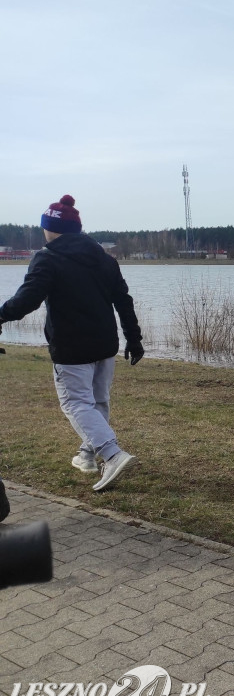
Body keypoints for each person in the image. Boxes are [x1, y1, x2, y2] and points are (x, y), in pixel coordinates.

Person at [0, 195, 144, 492]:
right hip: (105, 345)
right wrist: (133, 337)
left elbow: (25, 301)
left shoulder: (48, 257)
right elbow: (123, 301)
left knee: (76, 403)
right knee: (97, 403)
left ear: (52, 228)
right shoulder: (104, 258)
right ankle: (87, 455)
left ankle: (112, 454)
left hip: (71, 348)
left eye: (45, 227)